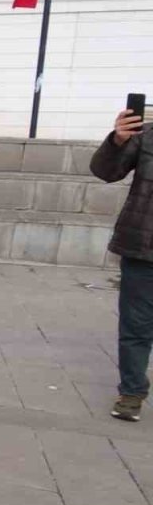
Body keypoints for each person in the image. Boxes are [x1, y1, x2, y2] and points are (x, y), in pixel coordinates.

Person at [92, 104, 151, 422]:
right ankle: (132, 392)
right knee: (137, 326)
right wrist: (117, 141)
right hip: (143, 245)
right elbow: (106, 172)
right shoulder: (148, 134)